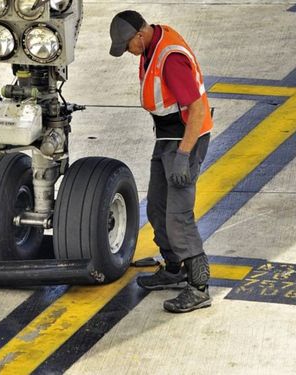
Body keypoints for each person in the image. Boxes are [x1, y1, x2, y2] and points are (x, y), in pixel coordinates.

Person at [109, 10, 213, 313]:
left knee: (178, 214)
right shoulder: (151, 44)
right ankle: (174, 268)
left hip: (186, 140)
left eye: (128, 45)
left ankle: (199, 287)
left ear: (140, 35)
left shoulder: (171, 59)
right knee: (156, 206)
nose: (129, 52)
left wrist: (184, 155)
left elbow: (195, 110)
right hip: (167, 139)